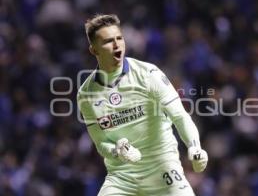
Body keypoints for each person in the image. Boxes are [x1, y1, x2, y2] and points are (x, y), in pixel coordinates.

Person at [77, 14, 208, 196]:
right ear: (94, 50)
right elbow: (101, 143)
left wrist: (194, 146)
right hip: (122, 178)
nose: (117, 45)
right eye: (108, 41)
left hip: (163, 171)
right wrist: (117, 151)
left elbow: (180, 116)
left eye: (119, 38)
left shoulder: (148, 74)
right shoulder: (86, 94)